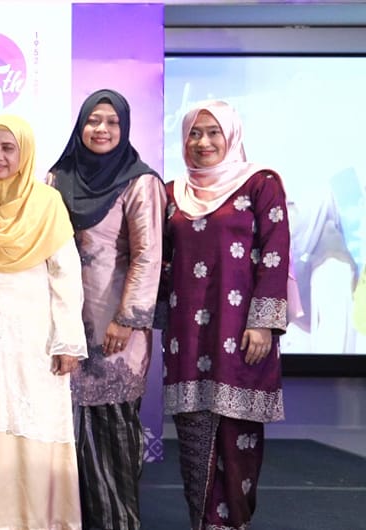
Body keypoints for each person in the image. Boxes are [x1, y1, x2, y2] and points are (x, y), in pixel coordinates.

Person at [161, 100, 287, 530]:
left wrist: (263, 322)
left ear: (230, 135)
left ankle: (233, 523)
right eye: (195, 133)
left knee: (238, 438)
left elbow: (275, 254)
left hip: (241, 332)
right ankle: (202, 523)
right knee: (194, 439)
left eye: (213, 132)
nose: (203, 142)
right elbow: (161, 263)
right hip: (186, 336)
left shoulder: (260, 183)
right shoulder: (172, 192)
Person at [0, 114, 86, 529]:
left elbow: (66, 275)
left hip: (37, 345)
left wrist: (67, 341)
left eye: (8, 148)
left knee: (34, 430)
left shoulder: (47, 203)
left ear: (25, 152)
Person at [47, 89, 164, 530]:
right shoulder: (58, 179)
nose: (101, 130)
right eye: (93, 121)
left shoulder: (140, 183)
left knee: (112, 437)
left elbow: (148, 255)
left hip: (114, 330)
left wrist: (127, 318)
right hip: (63, 327)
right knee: (66, 435)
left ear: (125, 128)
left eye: (112, 122)